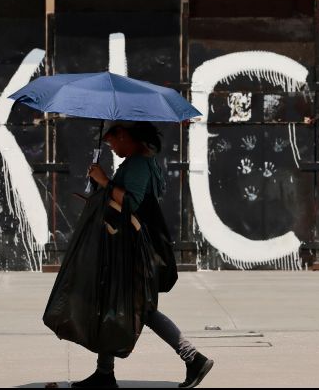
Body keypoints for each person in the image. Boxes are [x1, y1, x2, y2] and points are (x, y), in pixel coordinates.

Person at [74, 121, 214, 389]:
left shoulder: (139, 163)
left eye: (113, 142)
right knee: (113, 303)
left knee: (142, 309)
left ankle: (193, 358)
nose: (112, 148)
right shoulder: (143, 161)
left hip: (135, 249)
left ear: (124, 135)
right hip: (132, 246)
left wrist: (104, 181)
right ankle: (104, 373)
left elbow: (132, 202)